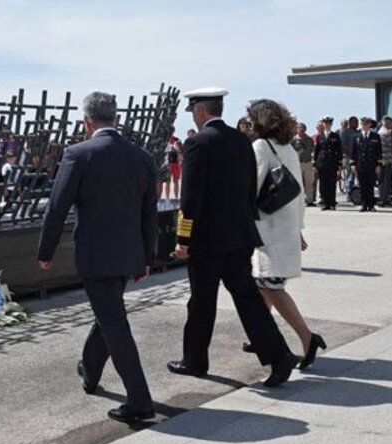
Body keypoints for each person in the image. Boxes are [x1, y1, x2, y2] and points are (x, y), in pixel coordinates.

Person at [37, 91, 156, 423]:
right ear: (116, 118)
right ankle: (90, 369)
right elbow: (149, 213)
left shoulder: (78, 154)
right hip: (129, 255)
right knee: (109, 313)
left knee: (113, 321)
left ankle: (140, 401)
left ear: (86, 122)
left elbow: (57, 206)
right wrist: (147, 257)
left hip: (96, 255)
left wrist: (45, 251)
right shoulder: (141, 156)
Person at [168, 87, 298, 387]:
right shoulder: (242, 140)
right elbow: (250, 189)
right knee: (249, 300)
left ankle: (195, 360)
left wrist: (183, 240)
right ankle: (279, 355)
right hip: (239, 237)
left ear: (201, 111)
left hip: (207, 241)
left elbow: (190, 199)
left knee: (202, 302)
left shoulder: (197, 143)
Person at [243, 99, 326, 370]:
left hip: (269, 229)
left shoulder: (260, 147)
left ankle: (307, 338)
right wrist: (298, 229)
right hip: (286, 226)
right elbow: (299, 194)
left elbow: (252, 188)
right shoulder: (287, 148)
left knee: (271, 286)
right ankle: (260, 335)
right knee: (264, 284)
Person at [351, 117, 383, 212]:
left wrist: (378, 164)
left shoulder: (375, 136)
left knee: (371, 185)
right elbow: (354, 152)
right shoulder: (356, 136)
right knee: (362, 186)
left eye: (366, 124)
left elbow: (379, 151)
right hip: (361, 164)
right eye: (363, 124)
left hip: (371, 165)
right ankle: (364, 204)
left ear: (369, 125)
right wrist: (353, 164)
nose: (364, 126)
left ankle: (371, 205)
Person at [313, 117, 342, 210]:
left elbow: (339, 150)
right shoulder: (320, 137)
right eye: (325, 124)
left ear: (331, 125)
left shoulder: (335, 136)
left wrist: (339, 164)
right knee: (323, 184)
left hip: (332, 162)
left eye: (329, 124)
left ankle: (332, 203)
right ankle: (325, 203)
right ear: (323, 125)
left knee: (332, 183)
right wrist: (315, 164)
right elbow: (317, 151)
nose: (327, 125)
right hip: (322, 163)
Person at [291, 123, 316, 206]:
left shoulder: (309, 139)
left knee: (309, 182)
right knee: (298, 182)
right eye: (300, 128)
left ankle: (309, 200)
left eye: (303, 128)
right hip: (298, 163)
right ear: (297, 129)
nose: (302, 129)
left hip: (308, 162)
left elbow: (312, 149)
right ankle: (298, 200)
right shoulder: (293, 140)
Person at [377, 116, 392, 207]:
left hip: (386, 160)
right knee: (384, 181)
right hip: (385, 160)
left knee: (385, 181)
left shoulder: (383, 132)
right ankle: (383, 199)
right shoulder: (385, 133)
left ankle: (385, 198)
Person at [164, 130, 183, 200]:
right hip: (167, 163)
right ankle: (167, 199)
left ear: (173, 131)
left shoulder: (177, 140)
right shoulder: (164, 140)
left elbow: (181, 151)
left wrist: (177, 149)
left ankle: (176, 198)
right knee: (167, 182)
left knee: (176, 181)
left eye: (171, 130)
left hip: (176, 163)